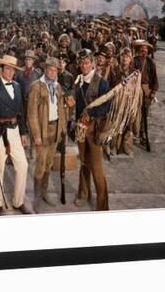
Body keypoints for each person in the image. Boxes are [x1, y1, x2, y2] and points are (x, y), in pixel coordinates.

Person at [0, 54, 34, 215]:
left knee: (23, 166)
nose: (11, 72)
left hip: (15, 130)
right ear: (0, 70)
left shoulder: (18, 87)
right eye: (8, 68)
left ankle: (18, 201)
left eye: (13, 69)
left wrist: (23, 132)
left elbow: (21, 112)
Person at [27, 57, 67, 212]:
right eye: (50, 69)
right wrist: (36, 134)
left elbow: (61, 110)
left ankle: (44, 192)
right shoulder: (37, 86)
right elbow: (31, 114)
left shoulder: (57, 87)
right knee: (40, 164)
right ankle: (36, 196)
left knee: (49, 163)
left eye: (55, 69)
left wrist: (62, 129)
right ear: (45, 70)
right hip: (42, 132)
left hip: (54, 129)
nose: (52, 72)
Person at [73, 48, 110, 211]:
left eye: (86, 62)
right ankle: (83, 194)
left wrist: (92, 114)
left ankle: (102, 205)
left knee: (96, 169)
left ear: (92, 63)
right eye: (81, 63)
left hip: (95, 129)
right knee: (83, 163)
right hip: (81, 129)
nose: (84, 65)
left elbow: (106, 105)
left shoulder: (101, 82)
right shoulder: (78, 80)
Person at [132, 39, 159, 146]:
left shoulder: (151, 63)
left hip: (146, 89)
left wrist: (153, 92)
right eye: (141, 49)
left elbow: (155, 79)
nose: (143, 50)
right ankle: (133, 134)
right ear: (139, 50)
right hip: (135, 89)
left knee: (144, 113)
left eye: (145, 49)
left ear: (148, 51)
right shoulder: (134, 61)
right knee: (134, 112)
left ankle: (143, 134)